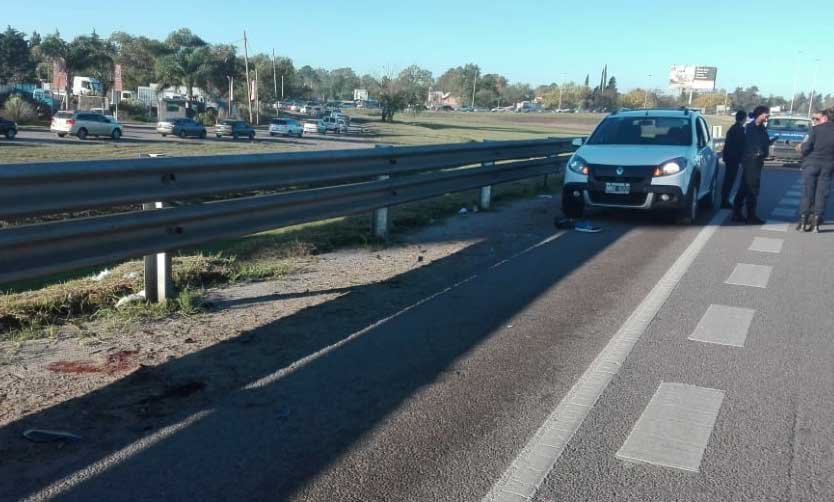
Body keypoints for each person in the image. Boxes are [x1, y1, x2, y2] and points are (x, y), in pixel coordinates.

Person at [733, 105, 776, 224]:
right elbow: (749, 144)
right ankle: (750, 216)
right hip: (751, 161)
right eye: (767, 115)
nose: (768, 117)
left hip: (757, 161)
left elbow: (763, 142)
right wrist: (756, 152)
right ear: (760, 114)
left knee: (744, 187)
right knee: (752, 188)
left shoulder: (761, 128)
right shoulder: (751, 127)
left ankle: (736, 213)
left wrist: (770, 142)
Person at [798, 107, 834, 232]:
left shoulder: (815, 129)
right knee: (821, 195)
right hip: (828, 166)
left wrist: (800, 148)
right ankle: (816, 223)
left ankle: (803, 222)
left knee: (808, 193)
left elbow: (806, 148)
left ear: (825, 117)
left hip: (812, 164)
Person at [721, 110, 747, 208]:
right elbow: (741, 145)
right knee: (729, 180)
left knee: (728, 180)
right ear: (744, 118)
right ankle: (724, 201)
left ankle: (724, 200)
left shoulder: (733, 128)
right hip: (733, 158)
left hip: (729, 157)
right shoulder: (739, 130)